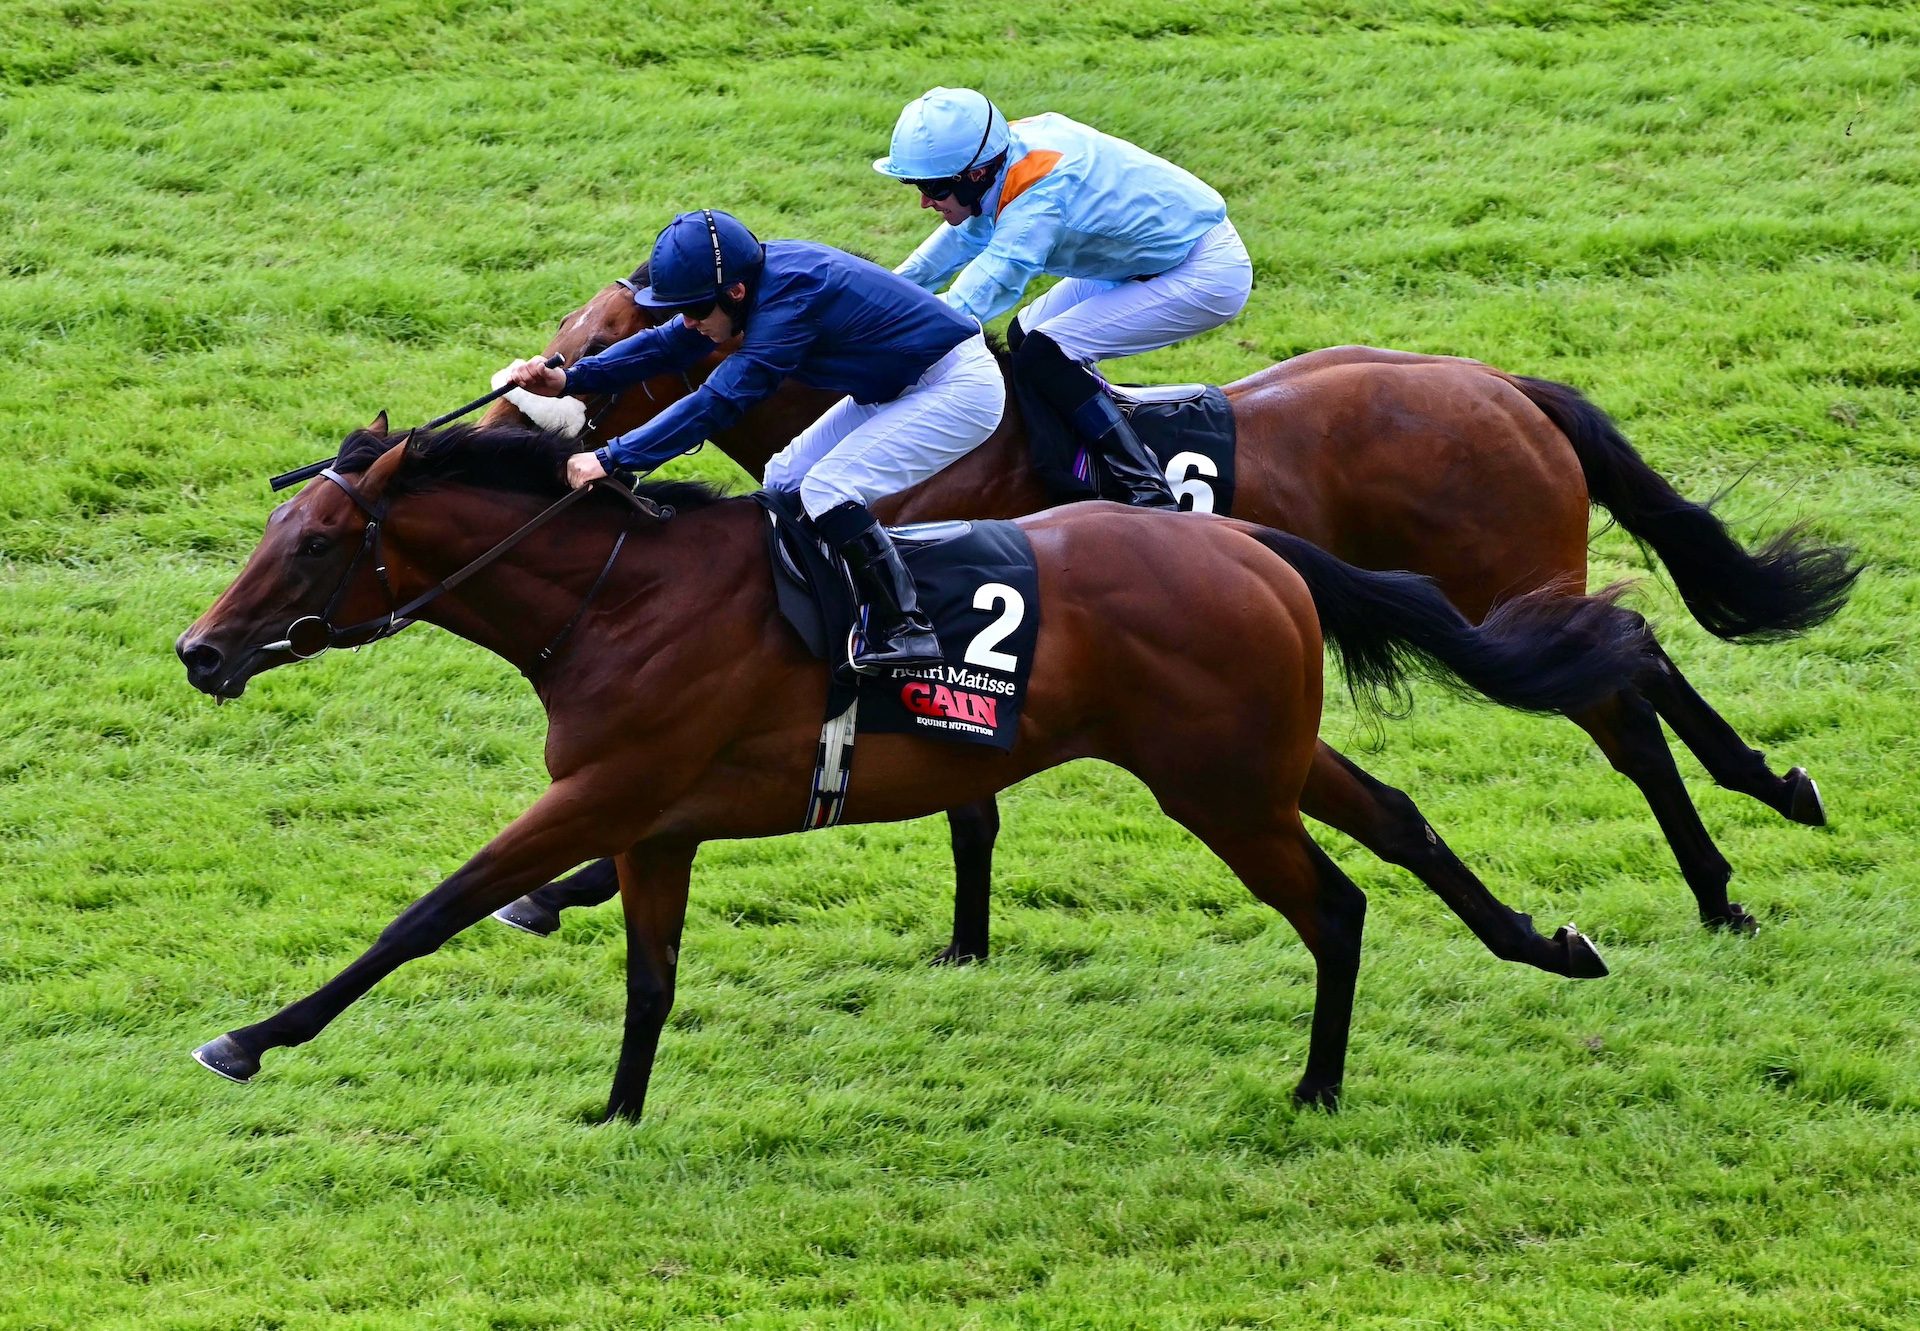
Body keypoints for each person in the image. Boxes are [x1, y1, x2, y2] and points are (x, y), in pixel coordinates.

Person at [504, 209, 1002, 672]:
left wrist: (613, 457)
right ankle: (836, 604)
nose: (688, 321)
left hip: (955, 388)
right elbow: (666, 343)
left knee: (828, 489)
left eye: (693, 309)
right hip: (896, 387)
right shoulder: (745, 285)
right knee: (784, 477)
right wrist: (571, 379)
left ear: (736, 293)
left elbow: (719, 401)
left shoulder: (791, 301)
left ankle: (907, 629)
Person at [876, 87, 1253, 510]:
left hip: (1204, 272)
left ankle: (1146, 489)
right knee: (1024, 337)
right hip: (1140, 261)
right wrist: (872, 298)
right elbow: (952, 246)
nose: (924, 201)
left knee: (1046, 352)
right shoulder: (994, 155)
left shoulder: (1039, 197)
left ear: (975, 175)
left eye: (933, 187)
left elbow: (980, 294)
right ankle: (1079, 453)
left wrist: (884, 342)